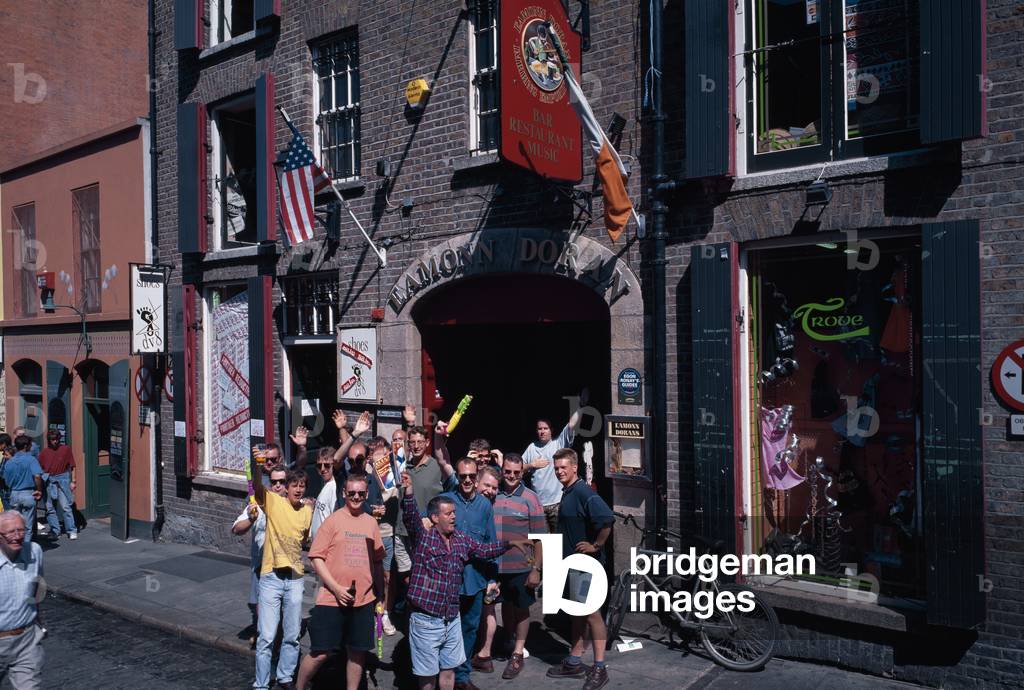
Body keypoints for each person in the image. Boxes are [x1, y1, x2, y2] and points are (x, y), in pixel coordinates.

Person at [400, 470, 525, 690]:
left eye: (454, 513)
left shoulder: (460, 540)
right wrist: (409, 491)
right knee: (428, 678)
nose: (453, 517)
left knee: (448, 671)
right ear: (435, 518)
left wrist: (509, 543)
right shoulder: (423, 538)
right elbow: (410, 517)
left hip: (451, 617)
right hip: (426, 620)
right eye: (448, 514)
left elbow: (484, 549)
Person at [296, 473, 385, 690]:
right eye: (351, 493)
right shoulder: (333, 520)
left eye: (361, 493)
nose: (356, 497)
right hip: (332, 599)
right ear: (344, 493)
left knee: (357, 652)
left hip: (363, 599)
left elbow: (377, 563)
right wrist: (335, 588)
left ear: (366, 494)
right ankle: (297, 687)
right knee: (320, 652)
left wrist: (381, 598)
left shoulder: (371, 523)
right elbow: (316, 557)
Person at [546, 448, 614, 690]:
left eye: (564, 467)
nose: (560, 472)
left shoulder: (583, 491)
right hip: (573, 563)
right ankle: (574, 661)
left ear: (575, 467)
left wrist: (596, 545)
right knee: (577, 611)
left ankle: (599, 667)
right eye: (556, 468)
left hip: (586, 565)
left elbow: (607, 518)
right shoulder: (569, 491)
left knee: (592, 613)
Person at [251, 451, 313, 690]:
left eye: (302, 486)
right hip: (271, 576)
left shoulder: (307, 511)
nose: (298, 490)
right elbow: (257, 486)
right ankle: (261, 683)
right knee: (266, 636)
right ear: (286, 488)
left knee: (292, 635)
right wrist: (258, 465)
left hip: (296, 577)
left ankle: (286, 676)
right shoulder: (273, 501)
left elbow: (304, 541)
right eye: (294, 485)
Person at [440, 458, 498, 690]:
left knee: (469, 629)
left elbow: (491, 542)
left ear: (477, 478)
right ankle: (443, 675)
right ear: (457, 475)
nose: (466, 480)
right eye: (462, 476)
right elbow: (427, 521)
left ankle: (462, 678)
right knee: (445, 630)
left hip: (474, 580)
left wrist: (493, 579)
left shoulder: (485, 506)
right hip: (448, 581)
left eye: (471, 477)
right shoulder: (447, 500)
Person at [486, 453, 545, 679]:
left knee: (521, 609)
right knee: (505, 606)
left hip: (522, 565)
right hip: (496, 565)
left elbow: (540, 538)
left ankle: (518, 653)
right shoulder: (493, 494)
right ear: (502, 472)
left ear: (522, 473)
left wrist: (536, 569)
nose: (511, 476)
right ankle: (508, 640)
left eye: (516, 472)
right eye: (507, 472)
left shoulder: (531, 498)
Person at [233, 466, 290, 648]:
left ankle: (276, 646)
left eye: (282, 482)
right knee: (263, 609)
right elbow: (236, 529)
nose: (278, 486)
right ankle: (266, 642)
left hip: (285, 568)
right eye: (274, 482)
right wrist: (250, 518)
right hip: (262, 567)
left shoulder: (294, 505)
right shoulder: (257, 503)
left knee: (283, 612)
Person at [521, 393, 585, 533]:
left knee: (560, 541)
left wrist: (580, 406)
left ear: (551, 430)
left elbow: (571, 424)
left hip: (557, 503)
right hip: (537, 505)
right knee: (543, 544)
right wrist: (532, 465)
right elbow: (518, 470)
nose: (542, 431)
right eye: (539, 429)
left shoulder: (558, 443)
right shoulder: (532, 447)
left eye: (545, 428)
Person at [0, 511, 44, 689]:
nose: (17, 537)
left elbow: (38, 585)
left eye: (21, 530)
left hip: (26, 641)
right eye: (10, 532)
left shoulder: (34, 551)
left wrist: (39, 621)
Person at [472, 466, 502, 675]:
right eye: (487, 485)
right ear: (476, 482)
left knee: (489, 609)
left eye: (494, 487)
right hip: (473, 569)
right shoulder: (471, 504)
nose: (490, 490)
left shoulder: (493, 506)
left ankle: (485, 654)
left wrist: (493, 577)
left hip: (490, 568)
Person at [1, 436, 44, 544]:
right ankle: (25, 549)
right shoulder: (31, 459)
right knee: (27, 526)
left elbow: (6, 480)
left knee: (16, 524)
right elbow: (37, 476)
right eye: (30, 445)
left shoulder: (9, 461)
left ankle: (16, 546)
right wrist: (39, 490)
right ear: (26, 446)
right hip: (28, 493)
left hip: (14, 493)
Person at [38, 431, 77, 541]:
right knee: (49, 508)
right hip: (49, 481)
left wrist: (73, 481)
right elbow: (39, 469)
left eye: (56, 439)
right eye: (52, 439)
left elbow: (73, 466)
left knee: (65, 507)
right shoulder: (44, 452)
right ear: (49, 440)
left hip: (62, 480)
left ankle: (72, 530)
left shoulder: (66, 449)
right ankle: (55, 530)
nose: (55, 441)